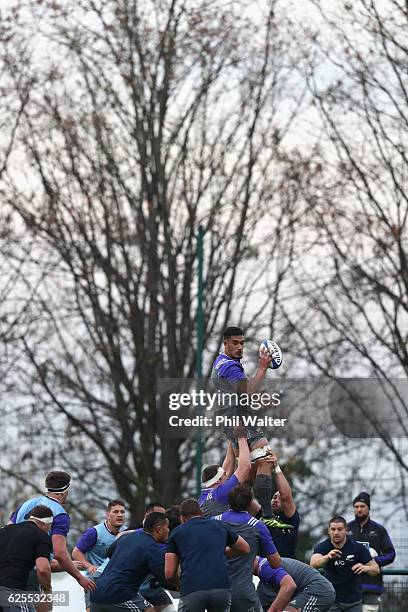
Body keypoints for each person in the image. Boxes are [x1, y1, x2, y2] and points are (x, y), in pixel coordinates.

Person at [10, 470, 95, 594]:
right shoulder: (60, 514)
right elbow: (59, 553)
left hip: (6, 571)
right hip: (29, 576)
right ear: (65, 491)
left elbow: (7, 533)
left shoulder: (25, 505)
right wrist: (80, 577)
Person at [165, 498, 250, 612]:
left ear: (183, 517)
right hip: (221, 587)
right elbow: (245, 548)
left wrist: (178, 584)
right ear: (201, 513)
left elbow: (169, 573)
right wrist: (222, 552)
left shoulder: (177, 533)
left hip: (192, 588)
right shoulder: (219, 526)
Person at [90, 512, 177, 612]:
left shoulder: (127, 536)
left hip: (96, 593)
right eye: (167, 527)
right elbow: (165, 581)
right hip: (117, 594)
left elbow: (109, 553)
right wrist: (182, 586)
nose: (168, 530)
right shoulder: (152, 547)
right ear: (158, 529)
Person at [211, 326, 276, 459]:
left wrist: (259, 397)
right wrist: (263, 367)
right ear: (225, 344)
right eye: (235, 343)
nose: (239, 347)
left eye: (242, 343)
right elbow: (247, 391)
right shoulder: (230, 367)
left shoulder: (220, 361)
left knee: (245, 471)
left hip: (230, 421)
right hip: (240, 420)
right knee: (266, 462)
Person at [214, 484, 281, 612]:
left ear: (229, 501)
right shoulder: (258, 526)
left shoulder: (213, 521)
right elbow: (276, 563)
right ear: (250, 503)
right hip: (242, 593)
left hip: (215, 591)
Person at [310, 516, 380, 612]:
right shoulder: (323, 546)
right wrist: (327, 557)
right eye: (333, 529)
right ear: (329, 531)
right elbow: (313, 563)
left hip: (354, 601)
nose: (336, 533)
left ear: (346, 530)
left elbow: (376, 569)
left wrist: (365, 568)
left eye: (339, 529)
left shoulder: (357, 547)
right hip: (332, 600)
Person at [72, 500, 126, 612]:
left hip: (117, 580)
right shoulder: (94, 532)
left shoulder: (126, 532)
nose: (120, 515)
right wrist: (89, 566)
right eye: (115, 512)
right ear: (107, 515)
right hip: (96, 578)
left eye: (122, 512)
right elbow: (76, 552)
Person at [347, 492, 396, 612]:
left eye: (362, 506)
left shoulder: (379, 530)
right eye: (356, 506)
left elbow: (391, 554)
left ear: (369, 508)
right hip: (348, 586)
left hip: (372, 586)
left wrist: (374, 561)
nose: (359, 509)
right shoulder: (346, 529)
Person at [0, 505, 53, 612]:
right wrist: (47, 591)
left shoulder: (4, 530)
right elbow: (42, 569)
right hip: (12, 590)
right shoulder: (41, 536)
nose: (50, 529)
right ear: (44, 523)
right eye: (50, 525)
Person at [255, 556, 336, 612]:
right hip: (308, 592)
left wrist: (272, 610)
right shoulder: (262, 587)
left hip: (318, 589)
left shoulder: (265, 566)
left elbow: (289, 586)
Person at [258, 451, 300, 559]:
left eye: (279, 498)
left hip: (285, 565)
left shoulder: (290, 518)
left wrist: (276, 467)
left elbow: (285, 495)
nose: (276, 500)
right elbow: (245, 498)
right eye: (274, 497)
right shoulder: (261, 514)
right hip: (262, 567)